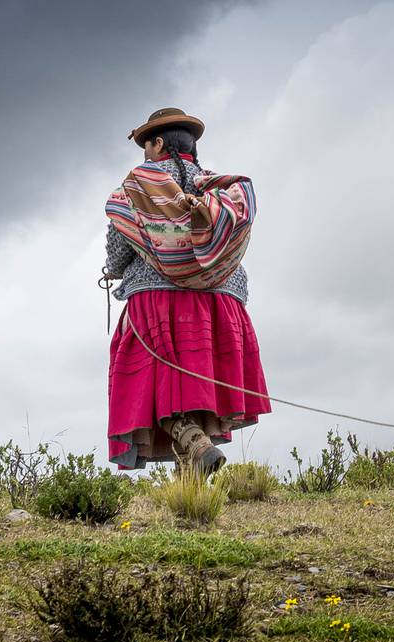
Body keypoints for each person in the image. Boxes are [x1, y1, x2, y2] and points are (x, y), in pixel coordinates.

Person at [102, 108, 270, 474]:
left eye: (147, 146)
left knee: (150, 382)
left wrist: (118, 269)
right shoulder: (222, 192)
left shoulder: (138, 187)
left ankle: (194, 442)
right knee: (196, 385)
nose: (144, 154)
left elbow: (117, 253)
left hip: (157, 299)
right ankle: (190, 481)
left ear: (158, 143)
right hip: (222, 301)